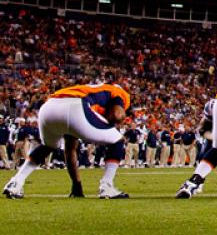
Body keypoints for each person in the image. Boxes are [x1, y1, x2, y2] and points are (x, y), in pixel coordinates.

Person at [3, 82, 132, 199]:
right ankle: (107, 186)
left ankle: (15, 182)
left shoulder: (88, 90)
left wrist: (77, 185)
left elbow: (70, 150)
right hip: (76, 107)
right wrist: (110, 126)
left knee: (47, 146)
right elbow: (117, 115)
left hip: (48, 108)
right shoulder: (119, 92)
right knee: (118, 140)